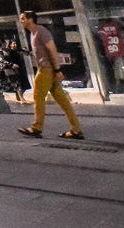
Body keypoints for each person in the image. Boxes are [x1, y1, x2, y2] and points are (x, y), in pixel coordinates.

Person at [17, 10, 83, 139]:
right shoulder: (32, 33)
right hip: (47, 69)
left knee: (38, 96)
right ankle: (76, 130)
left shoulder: (41, 31)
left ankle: (36, 128)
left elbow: (52, 49)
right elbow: (42, 52)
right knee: (62, 100)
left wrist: (57, 70)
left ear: (31, 19)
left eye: (23, 18)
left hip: (46, 70)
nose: (21, 21)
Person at [0, 38, 30, 104]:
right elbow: (1, 60)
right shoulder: (2, 51)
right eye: (13, 44)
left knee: (23, 84)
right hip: (11, 70)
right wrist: (11, 64)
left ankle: (18, 97)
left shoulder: (17, 50)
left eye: (16, 43)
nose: (15, 45)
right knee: (18, 84)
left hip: (19, 69)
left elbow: (26, 52)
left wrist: (27, 51)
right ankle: (21, 99)